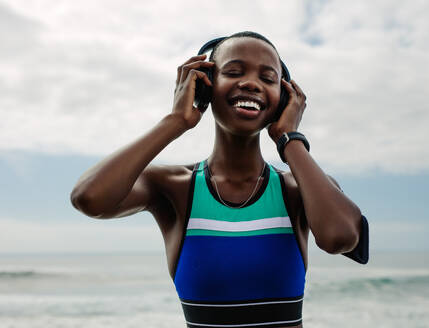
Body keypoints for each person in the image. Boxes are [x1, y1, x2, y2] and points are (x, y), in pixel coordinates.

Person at [70, 31, 369, 328]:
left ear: (284, 100)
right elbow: (90, 198)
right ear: (204, 85)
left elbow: (339, 238)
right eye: (234, 72)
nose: (251, 83)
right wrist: (176, 121)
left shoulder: (299, 187)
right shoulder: (175, 187)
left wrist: (290, 139)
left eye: (268, 78)